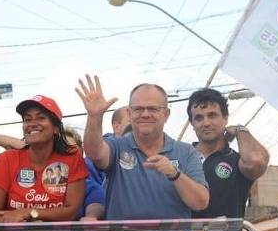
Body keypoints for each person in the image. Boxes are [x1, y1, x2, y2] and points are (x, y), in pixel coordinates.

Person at [76, 75, 209, 219]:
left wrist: (175, 174)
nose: (145, 114)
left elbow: (200, 203)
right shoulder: (117, 146)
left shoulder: (186, 152)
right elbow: (93, 153)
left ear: (166, 114)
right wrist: (94, 117)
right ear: (129, 113)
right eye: (138, 109)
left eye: (153, 109)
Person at [0, 95, 87, 223]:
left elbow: (71, 212)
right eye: (27, 119)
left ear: (56, 127)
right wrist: (15, 223)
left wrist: (29, 213)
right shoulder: (7, 159)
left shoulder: (72, 158)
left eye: (41, 118)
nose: (32, 124)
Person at [187, 89, 269, 231]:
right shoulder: (182, 157)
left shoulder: (237, 161)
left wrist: (240, 130)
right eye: (199, 118)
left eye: (212, 115)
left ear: (225, 118)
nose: (206, 123)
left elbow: (256, 161)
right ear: (192, 123)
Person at [63, 126, 106, 220]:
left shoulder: (86, 184)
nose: (65, 153)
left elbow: (96, 203)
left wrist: (91, 217)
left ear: (81, 152)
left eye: (71, 148)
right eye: (60, 149)